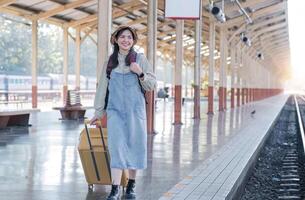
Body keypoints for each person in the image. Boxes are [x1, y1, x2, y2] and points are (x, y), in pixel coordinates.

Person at [90, 26, 156, 200]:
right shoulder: (110, 63)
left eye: (129, 37)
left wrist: (140, 72)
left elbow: (151, 85)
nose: (126, 40)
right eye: (122, 37)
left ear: (133, 41)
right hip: (115, 112)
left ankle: (131, 186)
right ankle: (115, 189)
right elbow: (102, 89)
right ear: (116, 39)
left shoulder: (140, 59)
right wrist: (98, 112)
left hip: (136, 112)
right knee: (116, 148)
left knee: (135, 147)